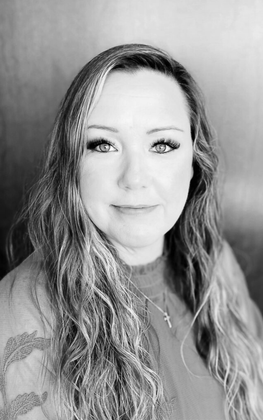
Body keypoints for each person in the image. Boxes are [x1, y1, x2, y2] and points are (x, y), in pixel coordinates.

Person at [0, 44, 262, 420]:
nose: (134, 178)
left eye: (163, 144)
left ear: (194, 162)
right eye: (103, 144)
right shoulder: (20, 313)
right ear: (71, 165)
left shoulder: (216, 265)